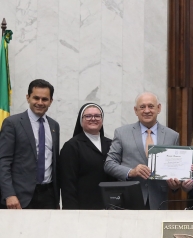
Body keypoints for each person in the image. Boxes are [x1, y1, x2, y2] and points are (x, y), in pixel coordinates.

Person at [104, 92, 179, 210]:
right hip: (129, 197)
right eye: (142, 107)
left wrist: (175, 184)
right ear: (135, 110)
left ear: (159, 108)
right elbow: (109, 164)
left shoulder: (172, 135)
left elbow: (175, 168)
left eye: (151, 106)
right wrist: (131, 172)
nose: (147, 110)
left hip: (159, 200)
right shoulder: (122, 133)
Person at [0, 79, 60, 209]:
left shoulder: (54, 126)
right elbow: (3, 161)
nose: (40, 102)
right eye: (36, 98)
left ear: (51, 101)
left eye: (44, 99)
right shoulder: (12, 123)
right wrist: (9, 194)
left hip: (49, 196)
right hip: (19, 197)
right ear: (28, 98)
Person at [60, 103, 115, 209]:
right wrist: (71, 212)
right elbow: (68, 184)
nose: (93, 119)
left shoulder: (111, 144)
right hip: (83, 208)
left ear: (102, 120)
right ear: (81, 121)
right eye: (88, 116)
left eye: (97, 116)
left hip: (110, 207)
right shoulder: (72, 146)